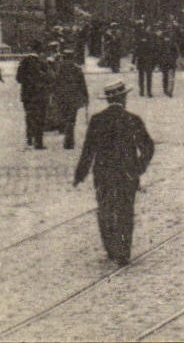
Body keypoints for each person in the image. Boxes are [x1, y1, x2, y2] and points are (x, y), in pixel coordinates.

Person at [73, 78, 155, 266]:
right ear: (124, 98)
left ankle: (111, 247)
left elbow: (88, 151)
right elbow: (148, 147)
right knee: (125, 211)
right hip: (127, 174)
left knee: (105, 209)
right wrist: (138, 168)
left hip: (103, 175)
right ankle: (124, 252)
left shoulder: (97, 120)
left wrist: (80, 175)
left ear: (108, 100)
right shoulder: (132, 119)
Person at [54, 47, 90, 149]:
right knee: (71, 120)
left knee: (65, 118)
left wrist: (55, 94)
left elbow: (55, 82)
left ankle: (68, 139)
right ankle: (69, 141)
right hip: (73, 97)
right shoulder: (77, 69)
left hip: (62, 97)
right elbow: (82, 85)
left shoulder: (59, 69)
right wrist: (86, 97)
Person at [16, 41, 49, 148]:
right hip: (40, 94)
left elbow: (18, 78)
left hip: (27, 94)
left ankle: (29, 138)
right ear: (39, 51)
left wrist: (27, 82)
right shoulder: (42, 62)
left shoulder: (23, 62)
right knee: (40, 117)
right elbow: (50, 77)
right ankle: (39, 142)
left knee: (29, 116)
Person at [134, 24, 155, 98]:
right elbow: (136, 50)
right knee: (145, 76)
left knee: (144, 76)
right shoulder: (148, 38)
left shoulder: (147, 38)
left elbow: (136, 50)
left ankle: (144, 91)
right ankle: (145, 91)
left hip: (144, 59)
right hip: (144, 59)